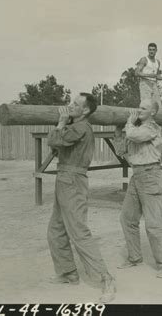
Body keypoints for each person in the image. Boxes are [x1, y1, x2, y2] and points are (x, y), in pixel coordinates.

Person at [47, 93, 116, 303]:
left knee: (79, 232)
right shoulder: (74, 126)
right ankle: (69, 274)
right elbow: (57, 148)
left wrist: (60, 123)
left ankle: (107, 279)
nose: (69, 106)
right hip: (64, 178)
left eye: (75, 104)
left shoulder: (81, 127)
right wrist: (63, 127)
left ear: (85, 110)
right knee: (56, 230)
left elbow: (54, 139)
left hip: (72, 180)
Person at [114, 99, 162, 278]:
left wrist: (128, 124)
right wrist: (118, 133)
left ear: (153, 112)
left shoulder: (152, 128)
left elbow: (134, 136)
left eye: (143, 108)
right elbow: (121, 150)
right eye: (138, 106)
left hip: (150, 174)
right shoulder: (135, 128)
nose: (138, 110)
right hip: (137, 175)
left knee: (154, 223)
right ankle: (134, 257)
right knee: (127, 218)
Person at [135, 43, 162, 109]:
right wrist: (149, 75)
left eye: (153, 50)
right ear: (148, 50)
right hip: (145, 83)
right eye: (150, 50)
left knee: (158, 106)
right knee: (146, 105)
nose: (151, 51)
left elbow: (156, 76)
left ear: (156, 50)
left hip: (154, 84)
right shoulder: (144, 59)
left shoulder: (157, 62)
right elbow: (136, 73)